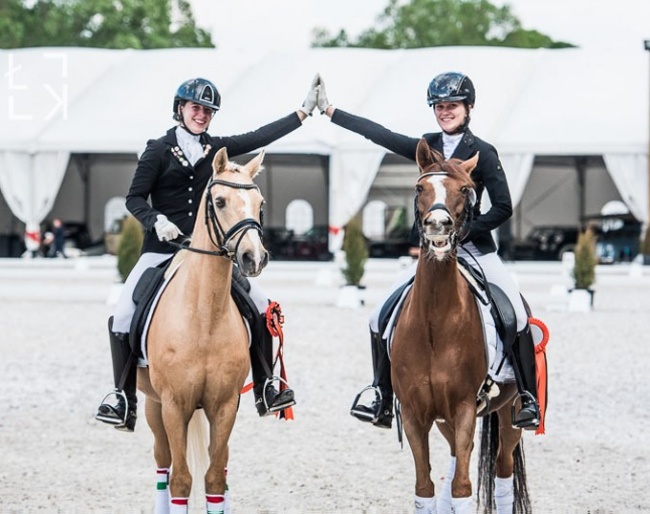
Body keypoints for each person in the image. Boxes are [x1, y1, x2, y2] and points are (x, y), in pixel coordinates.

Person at [95, 75, 321, 432]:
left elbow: (258, 137)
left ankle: (266, 385)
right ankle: (122, 398)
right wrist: (157, 221)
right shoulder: (157, 150)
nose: (201, 115)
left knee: (262, 308)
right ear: (181, 109)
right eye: (196, 108)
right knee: (123, 315)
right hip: (162, 251)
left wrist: (304, 112)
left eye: (208, 111)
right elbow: (133, 198)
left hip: (209, 255)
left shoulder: (216, 149)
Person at [317, 72, 540, 431]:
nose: (445, 112)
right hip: (432, 252)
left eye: (451, 106)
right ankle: (381, 394)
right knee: (379, 316)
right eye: (439, 106)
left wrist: (466, 230)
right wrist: (330, 111)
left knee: (515, 313)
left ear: (468, 108)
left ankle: (527, 398)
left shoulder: (484, 152)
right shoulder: (427, 147)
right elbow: (381, 135)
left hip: (473, 251)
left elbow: (503, 207)